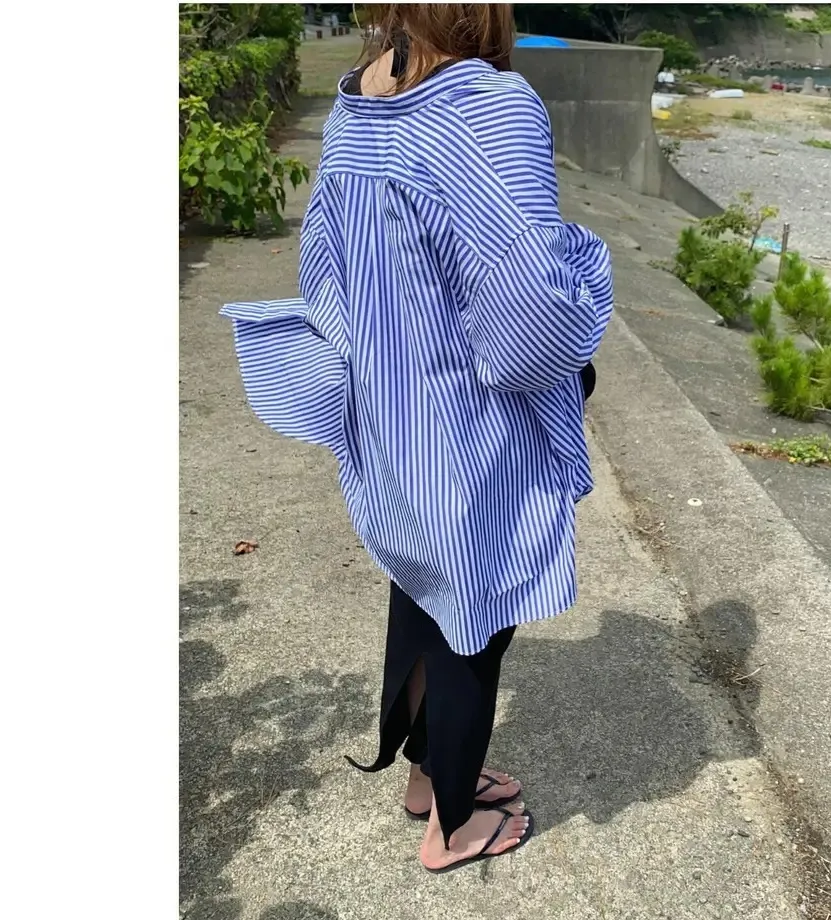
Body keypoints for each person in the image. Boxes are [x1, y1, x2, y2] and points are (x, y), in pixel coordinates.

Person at [220, 2, 613, 873]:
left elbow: (324, 270)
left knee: (424, 583)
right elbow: (534, 319)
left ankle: (427, 779)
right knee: (479, 608)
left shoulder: (361, 97)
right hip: (476, 422)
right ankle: (455, 826)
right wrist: (589, 274)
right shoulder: (488, 105)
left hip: (392, 412)